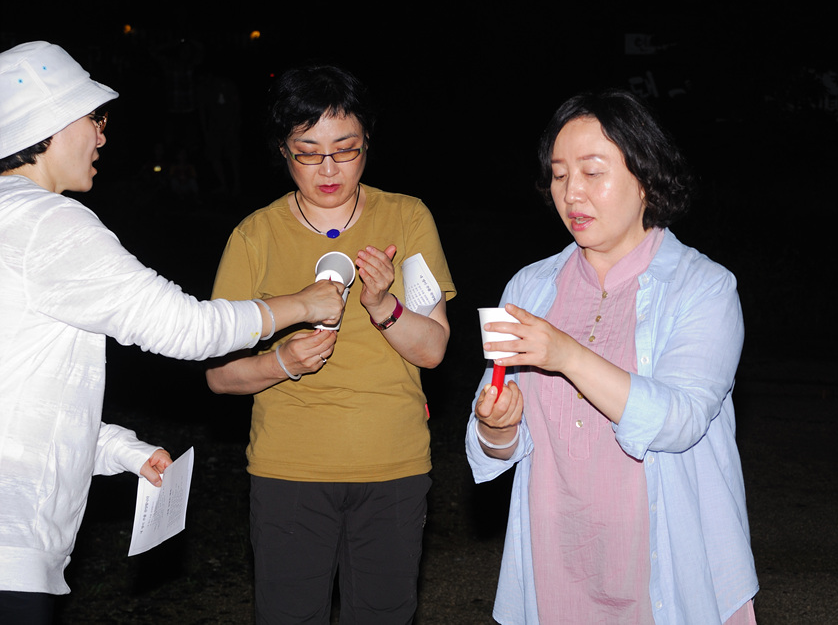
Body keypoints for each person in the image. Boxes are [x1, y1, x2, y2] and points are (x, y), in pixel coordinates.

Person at [0, 41, 346, 623]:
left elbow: (21, 401)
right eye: (94, 117)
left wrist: (124, 452)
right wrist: (300, 303)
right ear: (51, 124)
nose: (103, 135)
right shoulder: (46, 223)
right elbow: (186, 328)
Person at [467, 90, 758, 624]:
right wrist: (496, 426)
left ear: (645, 177)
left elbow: (680, 420)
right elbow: (495, 438)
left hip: (665, 568)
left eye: (592, 172)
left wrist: (567, 354)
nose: (571, 192)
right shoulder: (530, 288)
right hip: (556, 567)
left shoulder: (703, 287)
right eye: (559, 175)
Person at [205, 63, 455, 624]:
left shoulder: (407, 217)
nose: (328, 168)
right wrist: (282, 361)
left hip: (393, 464)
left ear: (368, 143)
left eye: (345, 150)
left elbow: (433, 349)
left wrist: (384, 306)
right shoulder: (255, 235)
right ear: (283, 151)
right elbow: (219, 375)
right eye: (308, 152)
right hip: (289, 470)